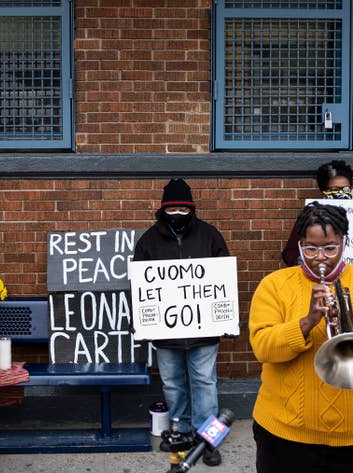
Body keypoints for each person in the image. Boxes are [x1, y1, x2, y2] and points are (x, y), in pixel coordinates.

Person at [249, 202, 353, 473]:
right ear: (299, 246)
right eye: (310, 248)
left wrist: (351, 317)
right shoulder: (274, 285)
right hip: (285, 435)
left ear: (344, 243)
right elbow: (263, 348)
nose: (320, 257)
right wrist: (307, 322)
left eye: (330, 248)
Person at [133, 178, 230, 467]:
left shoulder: (210, 236)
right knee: (174, 384)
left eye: (183, 207)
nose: (177, 212)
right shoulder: (148, 241)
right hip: (166, 332)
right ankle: (180, 432)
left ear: (191, 208)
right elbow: (140, 287)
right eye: (172, 207)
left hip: (204, 329)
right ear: (163, 209)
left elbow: (222, 278)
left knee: (205, 383)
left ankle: (208, 439)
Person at [281, 159, 353, 266]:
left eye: (345, 189)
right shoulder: (310, 217)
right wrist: (304, 261)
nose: (340, 193)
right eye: (334, 189)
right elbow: (290, 253)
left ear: (351, 187)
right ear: (323, 190)